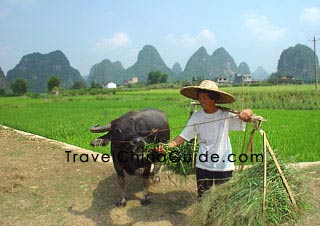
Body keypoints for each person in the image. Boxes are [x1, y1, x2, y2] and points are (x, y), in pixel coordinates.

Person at [159, 80, 253, 199]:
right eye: (200, 98)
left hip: (223, 165)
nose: (201, 101)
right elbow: (183, 136)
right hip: (203, 165)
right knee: (203, 198)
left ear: (213, 98)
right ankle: (204, 217)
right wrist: (168, 146)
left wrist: (247, 112)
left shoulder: (225, 115)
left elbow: (248, 116)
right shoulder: (197, 116)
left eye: (205, 98)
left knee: (223, 199)